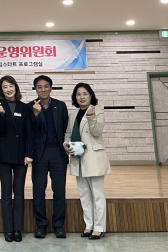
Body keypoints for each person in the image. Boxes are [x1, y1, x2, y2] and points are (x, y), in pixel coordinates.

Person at [64, 82, 111, 240]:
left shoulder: (98, 111)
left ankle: (99, 227)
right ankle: (89, 225)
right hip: (78, 159)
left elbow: (96, 132)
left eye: (85, 94)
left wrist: (91, 117)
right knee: (84, 195)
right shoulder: (73, 114)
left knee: (97, 194)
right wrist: (66, 145)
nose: (82, 97)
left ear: (91, 95)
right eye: (78, 94)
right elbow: (68, 133)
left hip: (93, 158)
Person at [0, 76, 34, 242]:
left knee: (19, 192)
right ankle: (8, 229)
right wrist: (2, 115)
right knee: (6, 193)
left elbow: (29, 132)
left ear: (15, 88)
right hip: (3, 153)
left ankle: (18, 229)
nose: (8, 89)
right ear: (1, 90)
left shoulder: (24, 107)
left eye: (11, 86)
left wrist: (29, 154)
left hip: (21, 155)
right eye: (5, 87)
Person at [30, 75, 69, 239]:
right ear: (35, 89)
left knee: (59, 190)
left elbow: (66, 129)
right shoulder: (30, 106)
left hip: (58, 152)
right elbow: (29, 131)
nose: (43, 89)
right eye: (39, 87)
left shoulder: (60, 105)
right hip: (39, 153)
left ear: (51, 88)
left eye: (46, 86)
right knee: (39, 190)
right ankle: (41, 225)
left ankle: (59, 225)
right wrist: (35, 115)